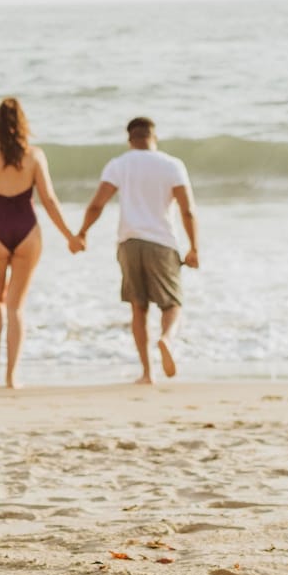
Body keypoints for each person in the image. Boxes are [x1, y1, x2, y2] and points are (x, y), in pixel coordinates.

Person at [0, 98, 83, 388]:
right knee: (15, 307)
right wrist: (70, 237)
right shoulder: (35, 155)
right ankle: (12, 376)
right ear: (23, 122)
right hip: (28, 232)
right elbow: (49, 200)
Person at [76, 117, 199, 384]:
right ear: (154, 137)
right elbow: (187, 210)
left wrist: (82, 232)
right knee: (172, 303)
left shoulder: (119, 165)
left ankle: (147, 373)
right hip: (163, 242)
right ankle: (166, 339)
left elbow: (97, 204)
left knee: (138, 308)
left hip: (129, 242)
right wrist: (193, 248)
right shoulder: (172, 165)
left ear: (130, 138)